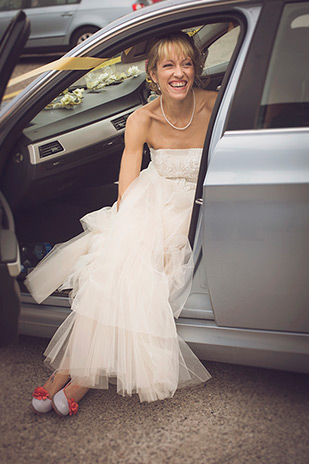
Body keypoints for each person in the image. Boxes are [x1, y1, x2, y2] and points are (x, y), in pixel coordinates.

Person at [27, 31, 217, 416]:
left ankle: (77, 374)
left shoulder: (215, 106)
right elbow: (127, 191)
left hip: (196, 203)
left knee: (147, 264)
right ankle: (74, 373)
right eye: (168, 65)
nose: (178, 73)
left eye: (185, 63)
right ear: (152, 73)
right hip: (152, 198)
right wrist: (128, 233)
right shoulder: (140, 119)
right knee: (117, 258)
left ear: (196, 68)